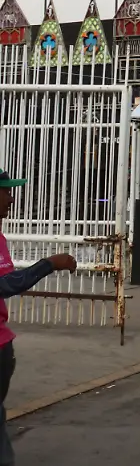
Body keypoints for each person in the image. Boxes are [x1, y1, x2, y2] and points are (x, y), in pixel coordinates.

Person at [0, 169, 78, 464]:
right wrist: (49, 264)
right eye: (5, 191)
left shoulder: (0, 238)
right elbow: (6, 285)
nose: (11, 198)